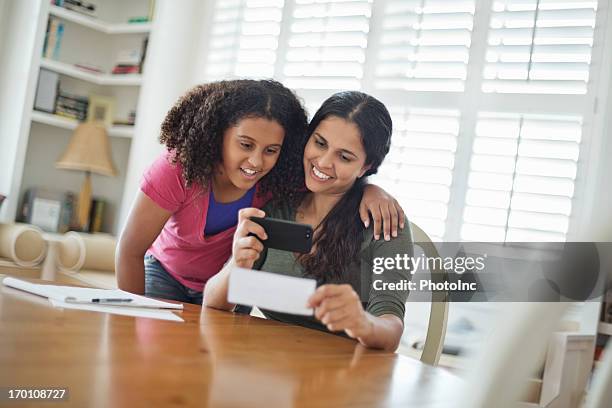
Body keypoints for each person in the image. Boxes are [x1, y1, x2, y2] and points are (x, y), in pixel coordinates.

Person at [116, 81, 405, 305]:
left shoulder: (282, 175)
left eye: (271, 150)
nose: (256, 162)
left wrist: (370, 189)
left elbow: (333, 179)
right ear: (219, 135)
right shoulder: (179, 168)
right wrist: (132, 318)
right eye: (245, 145)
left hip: (233, 284)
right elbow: (130, 250)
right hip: (167, 273)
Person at [204, 91, 413, 351]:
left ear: (366, 167)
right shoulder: (275, 209)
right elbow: (214, 304)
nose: (323, 162)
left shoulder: (386, 226)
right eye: (320, 143)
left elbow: (390, 328)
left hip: (341, 374)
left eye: (344, 157)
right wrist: (237, 263)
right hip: (267, 368)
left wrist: (363, 322)